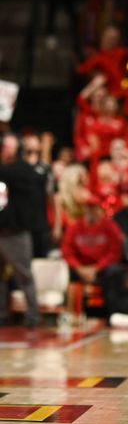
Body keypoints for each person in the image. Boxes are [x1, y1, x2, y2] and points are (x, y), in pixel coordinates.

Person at [0, 135, 42, 327]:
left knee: (24, 275)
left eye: (9, 146)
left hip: (15, 233)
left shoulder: (23, 170)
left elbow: (13, 174)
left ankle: (33, 316)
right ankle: (1, 315)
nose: (5, 149)